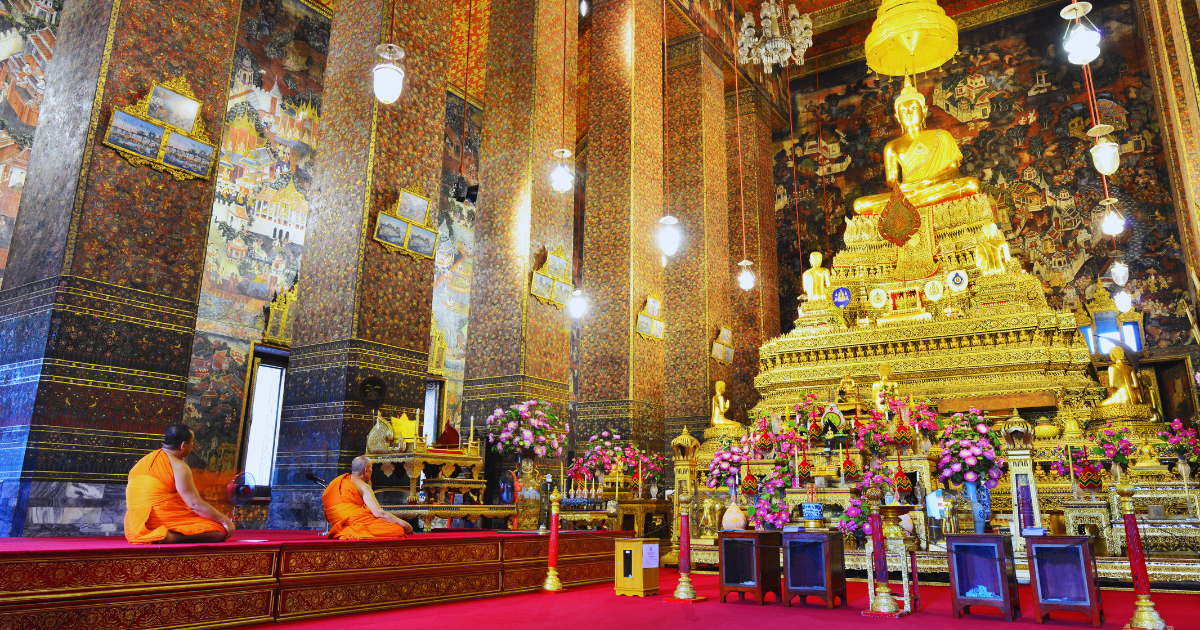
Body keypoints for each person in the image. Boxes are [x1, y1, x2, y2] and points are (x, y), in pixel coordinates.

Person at [124, 424, 234, 544]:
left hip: (135, 526)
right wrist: (225, 521)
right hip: (158, 521)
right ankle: (172, 537)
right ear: (183, 445)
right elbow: (194, 504)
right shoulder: (178, 466)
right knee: (220, 530)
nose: (192, 446)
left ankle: (163, 534)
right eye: (192, 442)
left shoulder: (142, 462)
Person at [322, 456, 414, 539]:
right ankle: (351, 531)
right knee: (397, 529)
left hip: (336, 523)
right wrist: (403, 523)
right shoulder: (363, 486)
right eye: (371, 469)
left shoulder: (340, 481)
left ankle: (347, 530)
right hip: (353, 523)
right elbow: (379, 513)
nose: (372, 471)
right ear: (365, 471)